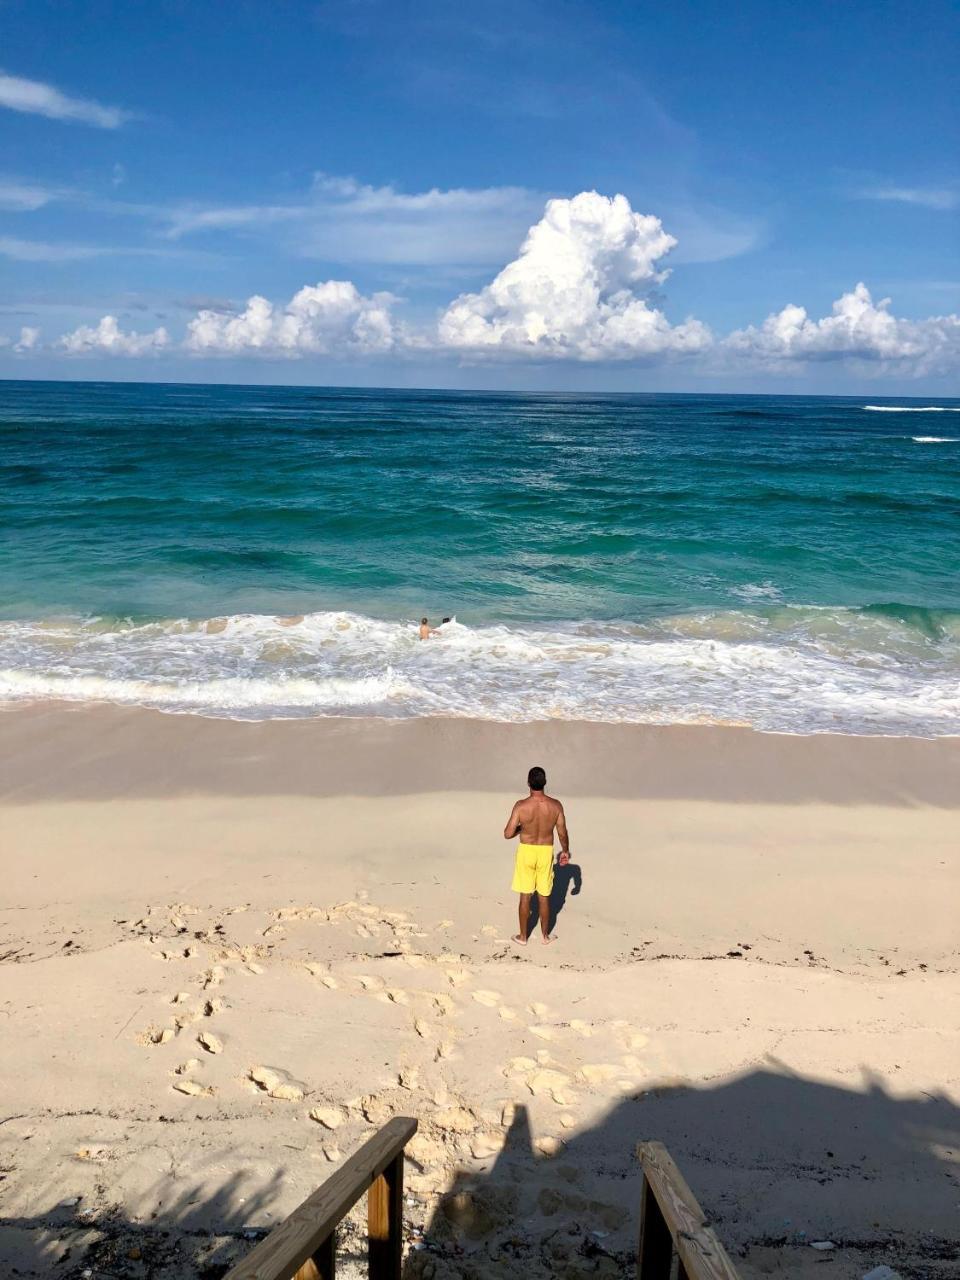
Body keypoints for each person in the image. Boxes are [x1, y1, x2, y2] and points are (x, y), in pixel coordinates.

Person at [503, 765, 570, 946]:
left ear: (528, 783)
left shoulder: (521, 806)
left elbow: (508, 834)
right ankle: (545, 937)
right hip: (545, 850)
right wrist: (565, 851)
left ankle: (523, 937)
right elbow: (562, 832)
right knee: (544, 895)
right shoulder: (555, 805)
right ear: (545, 782)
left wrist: (521, 828)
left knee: (525, 895)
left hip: (527, 850)